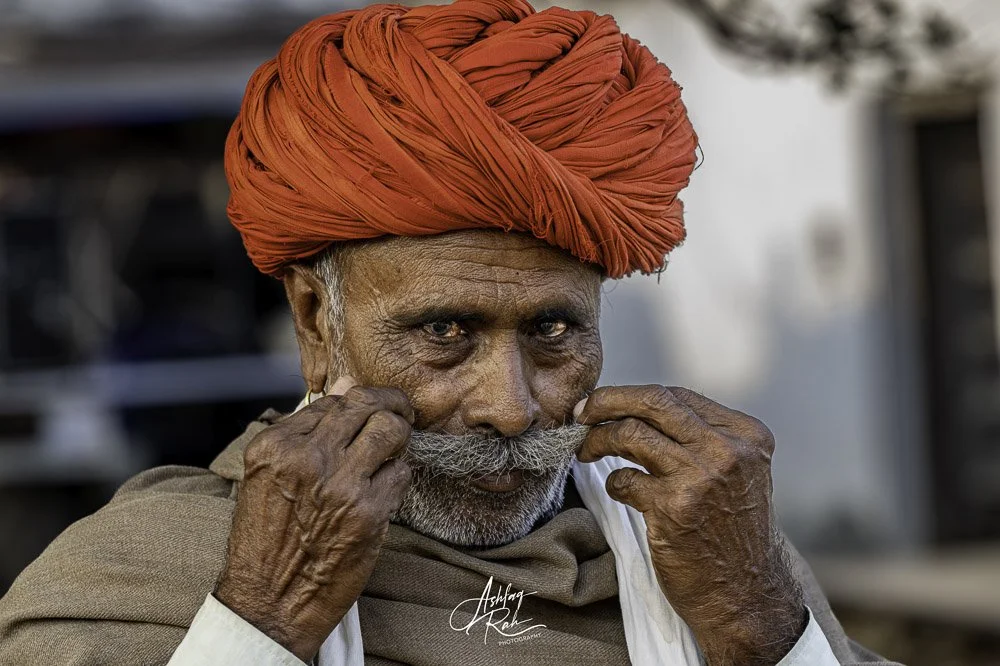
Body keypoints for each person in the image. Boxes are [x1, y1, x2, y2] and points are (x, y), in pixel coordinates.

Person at [0, 1, 899, 664]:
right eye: (443, 332)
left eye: (554, 331)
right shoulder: (145, 577)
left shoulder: (702, 558)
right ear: (316, 321)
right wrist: (264, 618)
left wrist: (754, 617)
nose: (510, 408)